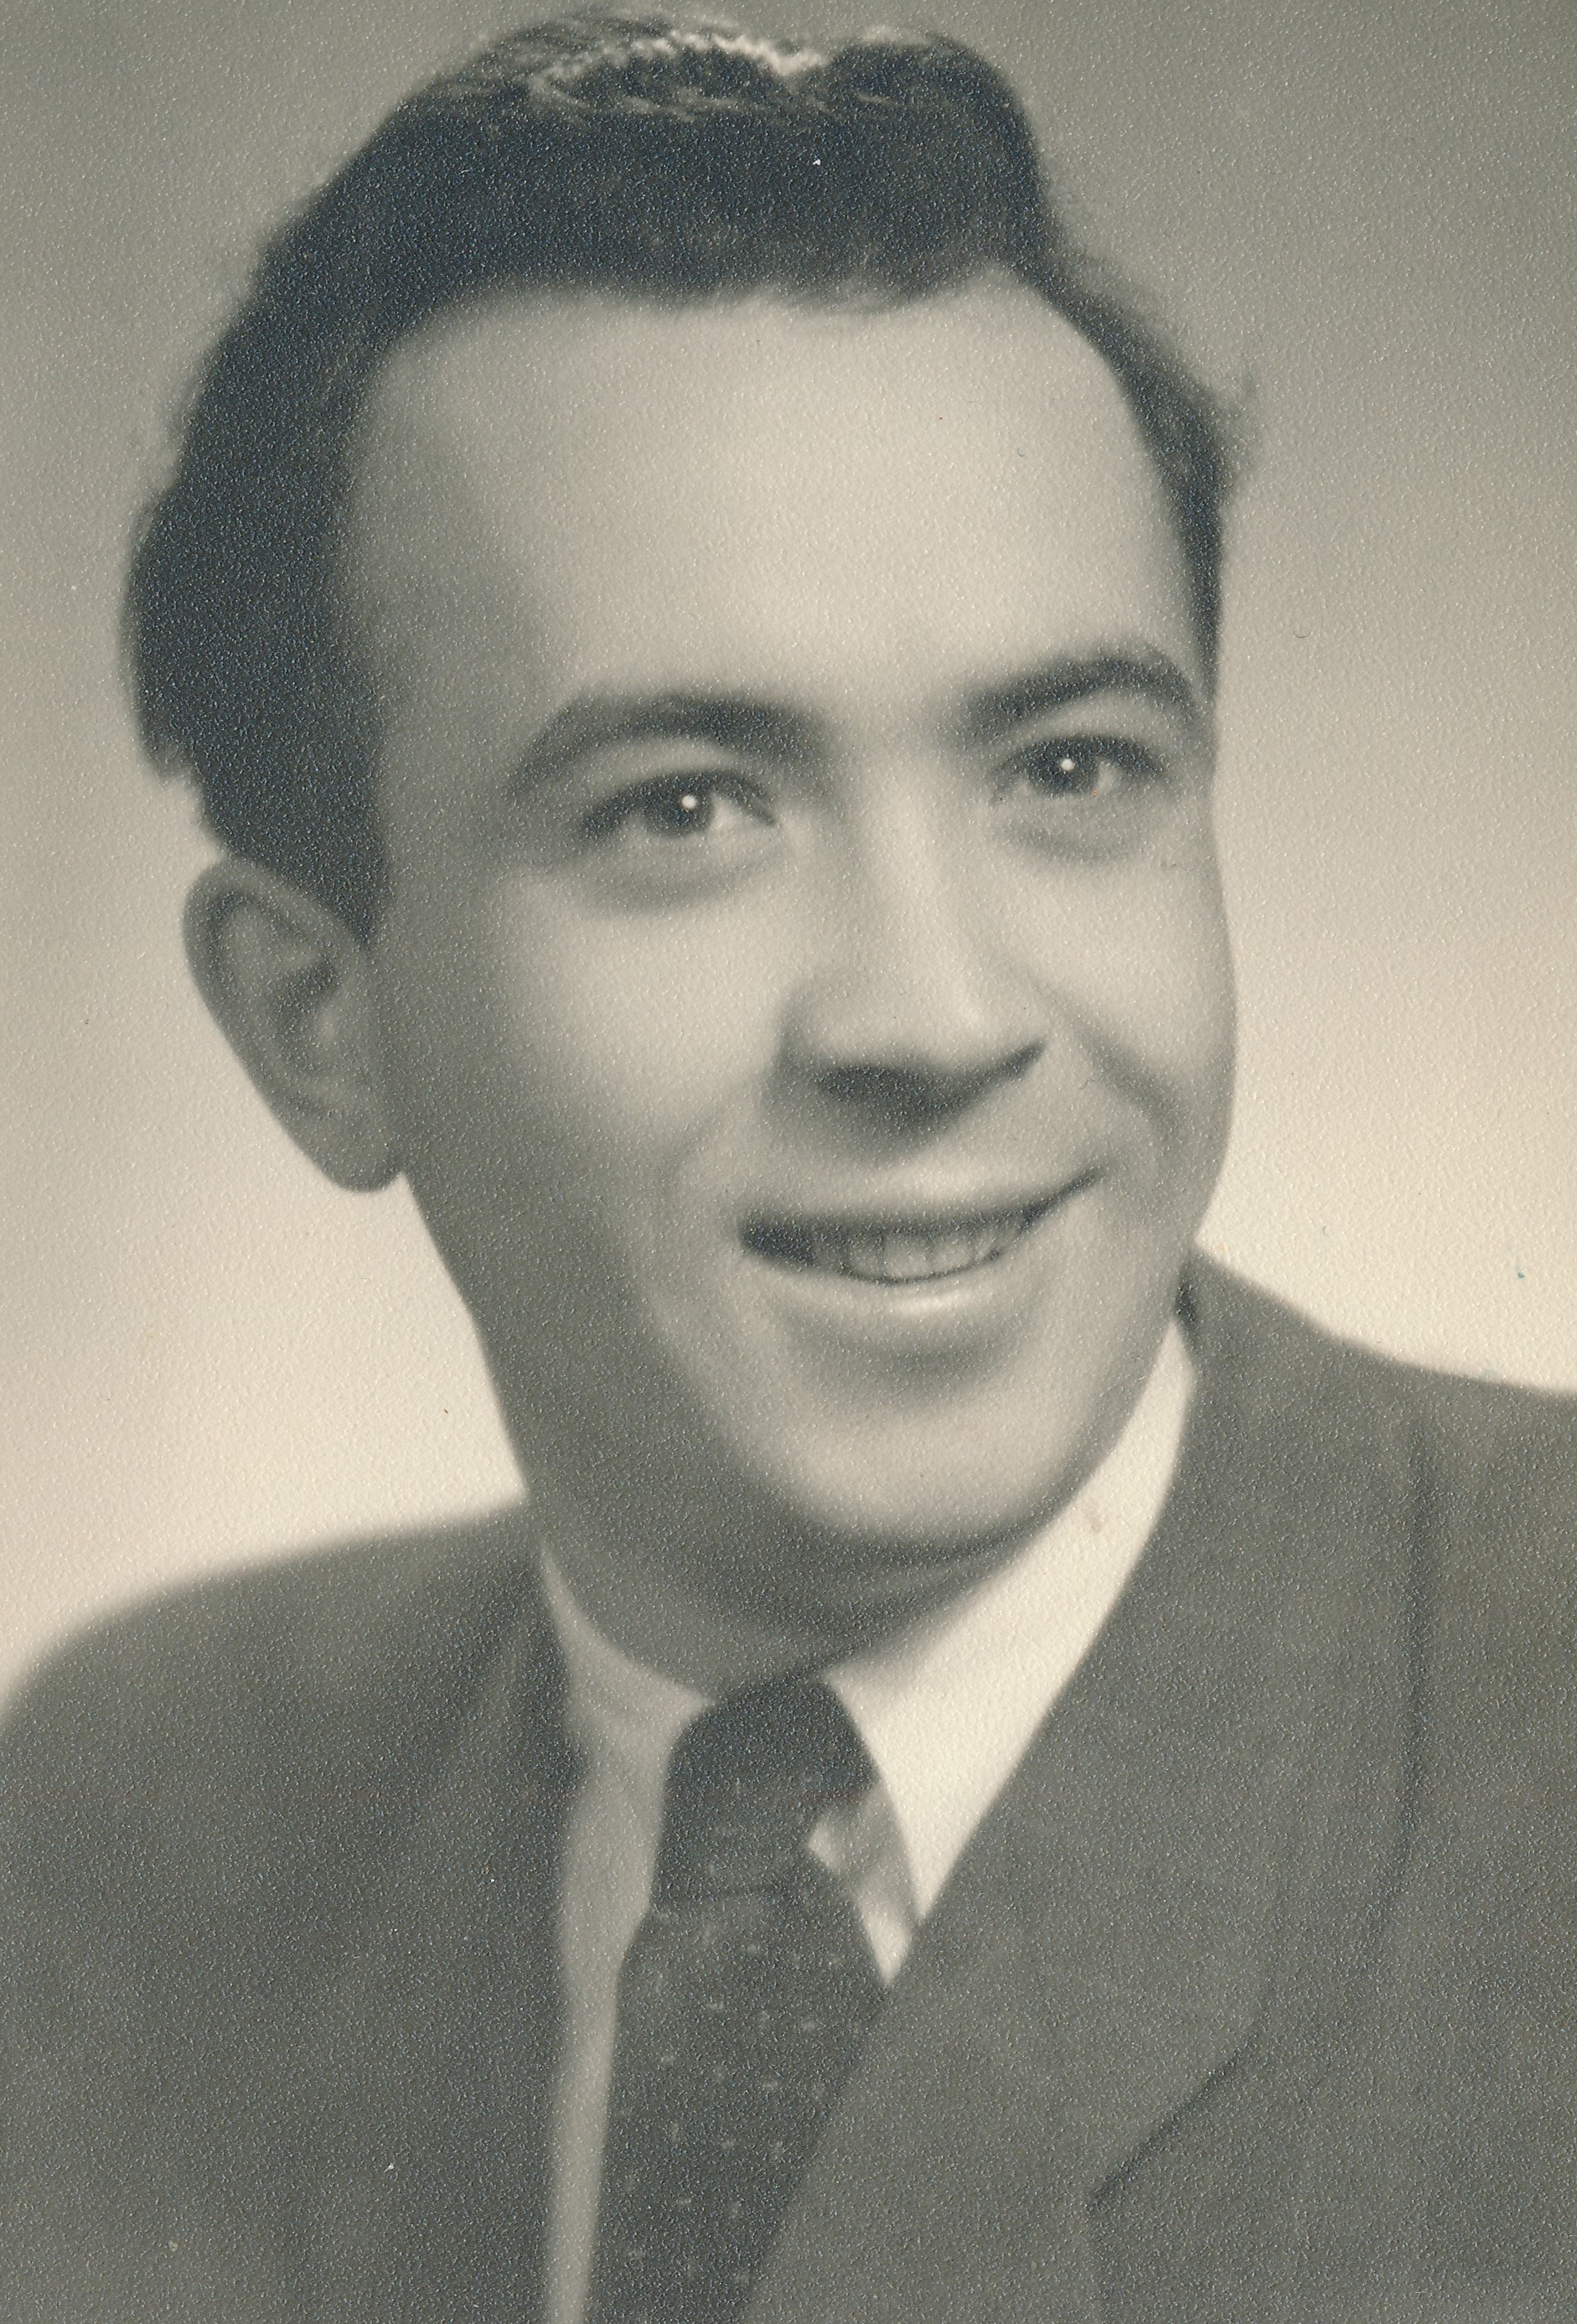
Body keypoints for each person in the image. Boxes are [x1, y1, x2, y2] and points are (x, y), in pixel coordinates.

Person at [2, 13, 1572, 2321]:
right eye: (681, 809)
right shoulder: (132, 1815)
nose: (935, 1017)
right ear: (316, 1022)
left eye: (1068, 766)